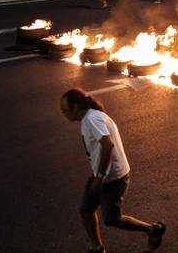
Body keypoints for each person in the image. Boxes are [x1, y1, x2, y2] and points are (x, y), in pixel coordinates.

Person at [60, 89, 165, 253]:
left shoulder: (91, 120)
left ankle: (153, 229)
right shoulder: (91, 116)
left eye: (65, 110)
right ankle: (97, 248)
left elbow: (107, 144)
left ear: (76, 107)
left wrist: (100, 177)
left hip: (112, 178)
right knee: (86, 211)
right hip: (102, 174)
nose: (64, 113)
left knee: (111, 219)